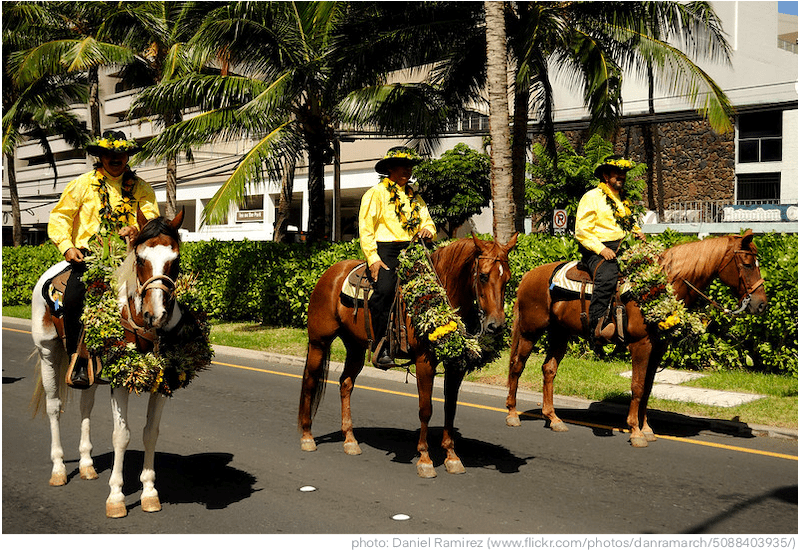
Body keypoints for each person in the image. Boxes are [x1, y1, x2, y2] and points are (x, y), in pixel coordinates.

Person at [48, 130, 159, 387]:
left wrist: (137, 230)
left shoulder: (141, 188)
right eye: (110, 154)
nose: (115, 158)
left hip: (131, 259)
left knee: (161, 290)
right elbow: (60, 217)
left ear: (127, 156)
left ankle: (160, 354)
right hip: (88, 258)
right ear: (101, 156)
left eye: (120, 154)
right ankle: (77, 360)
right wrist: (67, 247)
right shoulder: (83, 183)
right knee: (74, 296)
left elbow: (152, 221)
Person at [358, 146, 436, 368]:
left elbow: (427, 221)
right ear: (390, 168)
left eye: (410, 166)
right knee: (383, 292)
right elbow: (366, 228)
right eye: (403, 165)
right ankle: (381, 345)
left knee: (436, 289)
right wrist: (373, 259)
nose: (407, 170)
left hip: (414, 248)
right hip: (387, 250)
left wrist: (428, 230)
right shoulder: (376, 193)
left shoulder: (415, 196)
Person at [575, 155, 645, 343]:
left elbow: (631, 224)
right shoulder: (591, 197)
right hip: (596, 250)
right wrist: (601, 249)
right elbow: (582, 231)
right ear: (606, 176)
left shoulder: (624, 200)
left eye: (623, 173)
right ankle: (597, 328)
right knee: (607, 277)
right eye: (617, 173)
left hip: (624, 248)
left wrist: (638, 234)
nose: (621, 176)